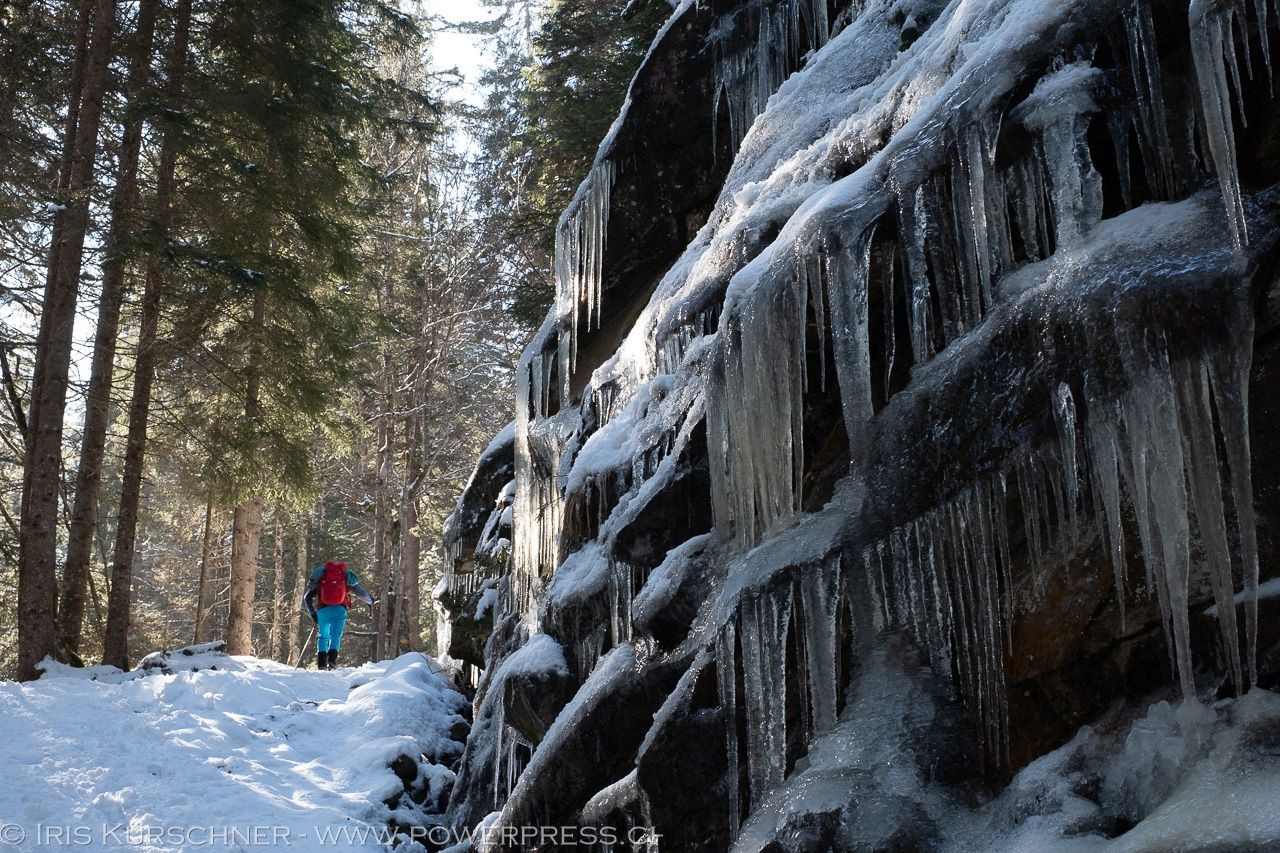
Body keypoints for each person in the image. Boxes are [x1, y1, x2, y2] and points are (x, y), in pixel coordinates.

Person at [303, 561, 373, 670]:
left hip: (323, 610)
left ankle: (321, 665)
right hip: (340, 609)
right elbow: (361, 592)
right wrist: (370, 601)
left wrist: (313, 614)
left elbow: (307, 597)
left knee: (323, 636)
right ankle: (332, 663)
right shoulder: (345, 577)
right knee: (335, 636)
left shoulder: (322, 578)